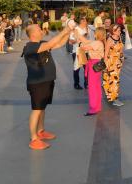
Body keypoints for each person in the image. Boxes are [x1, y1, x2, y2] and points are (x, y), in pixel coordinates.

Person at [23, 20, 75, 150]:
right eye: (39, 29)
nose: (41, 30)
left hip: (47, 81)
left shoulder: (41, 43)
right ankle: (34, 138)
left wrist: (69, 32)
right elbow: (52, 42)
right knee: (36, 109)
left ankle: (40, 131)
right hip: (37, 83)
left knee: (42, 108)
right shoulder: (30, 47)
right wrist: (65, 29)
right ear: (33, 33)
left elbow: (59, 43)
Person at [78, 27, 106, 116]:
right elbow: (86, 42)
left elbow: (85, 47)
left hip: (94, 65)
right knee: (97, 86)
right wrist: (78, 35)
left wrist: (80, 44)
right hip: (96, 65)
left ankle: (93, 108)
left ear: (96, 34)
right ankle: (97, 106)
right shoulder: (99, 42)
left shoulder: (96, 43)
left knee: (93, 87)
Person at [103, 24, 125, 106]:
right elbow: (106, 52)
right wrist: (105, 63)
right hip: (111, 62)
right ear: (113, 31)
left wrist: (122, 58)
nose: (120, 31)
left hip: (118, 62)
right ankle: (114, 99)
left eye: (120, 30)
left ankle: (113, 97)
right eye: (118, 30)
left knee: (116, 80)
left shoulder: (119, 38)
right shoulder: (110, 39)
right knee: (114, 80)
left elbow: (121, 50)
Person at [69, 17, 90, 90]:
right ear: (81, 22)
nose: (85, 22)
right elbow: (70, 41)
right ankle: (76, 84)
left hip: (86, 51)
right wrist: (79, 39)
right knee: (77, 69)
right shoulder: (75, 30)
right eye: (84, 21)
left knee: (87, 68)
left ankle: (86, 84)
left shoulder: (87, 29)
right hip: (77, 51)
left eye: (86, 21)